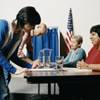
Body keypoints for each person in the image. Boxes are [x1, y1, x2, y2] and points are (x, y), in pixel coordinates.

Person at [0, 6, 41, 100]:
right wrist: (14, 70)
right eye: (32, 25)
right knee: (3, 94)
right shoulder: (3, 26)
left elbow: (13, 56)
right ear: (26, 22)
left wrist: (31, 66)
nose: (33, 28)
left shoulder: (19, 35)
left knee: (4, 94)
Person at [77, 24, 100, 100]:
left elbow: (88, 65)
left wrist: (87, 66)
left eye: (93, 34)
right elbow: (86, 62)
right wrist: (81, 64)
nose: (90, 37)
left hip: (96, 83)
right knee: (64, 84)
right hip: (89, 80)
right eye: (90, 35)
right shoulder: (94, 48)